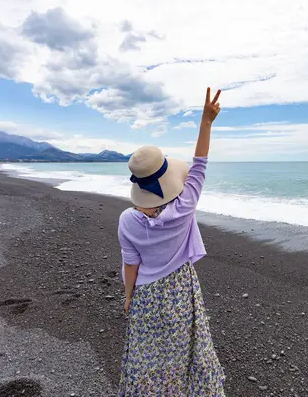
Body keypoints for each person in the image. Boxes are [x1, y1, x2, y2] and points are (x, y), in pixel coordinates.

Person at [117, 87, 226, 396]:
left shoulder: (127, 220)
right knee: (187, 353)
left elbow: (131, 263)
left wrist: (128, 297)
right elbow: (200, 165)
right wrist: (206, 122)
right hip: (181, 290)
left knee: (146, 357)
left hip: (146, 294)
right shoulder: (184, 208)